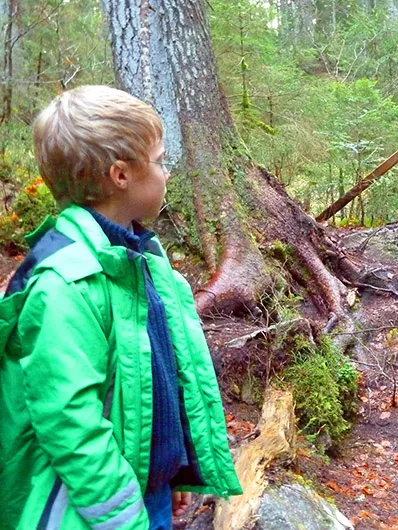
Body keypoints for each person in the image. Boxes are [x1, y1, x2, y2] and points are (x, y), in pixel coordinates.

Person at [0, 85, 241, 529]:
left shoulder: (140, 257)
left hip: (146, 490)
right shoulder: (64, 284)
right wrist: (123, 517)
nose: (167, 173)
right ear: (121, 175)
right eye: (160, 160)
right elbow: (70, 423)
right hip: (89, 510)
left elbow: (159, 376)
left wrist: (174, 468)